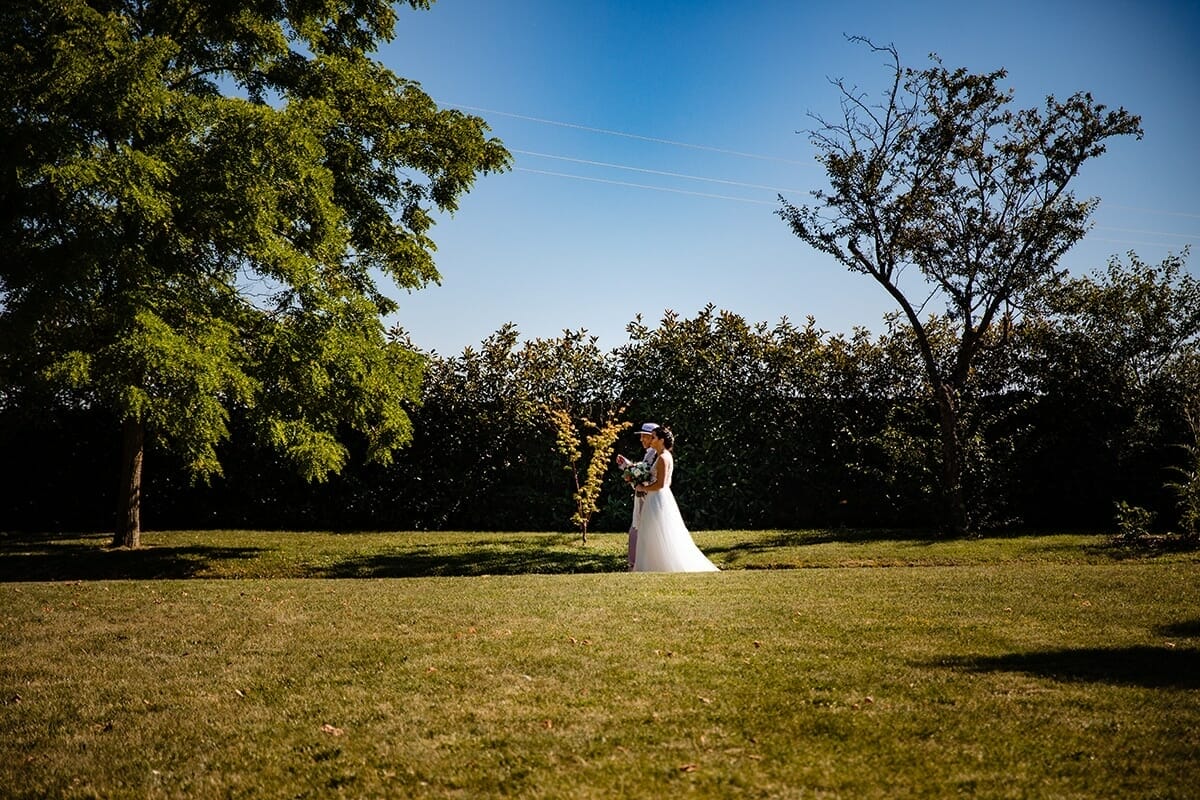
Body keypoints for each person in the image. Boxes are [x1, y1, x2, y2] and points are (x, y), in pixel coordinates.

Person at [632, 426, 719, 573]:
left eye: (653, 437)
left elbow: (660, 484)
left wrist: (642, 488)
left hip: (657, 499)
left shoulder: (663, 458)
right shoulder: (664, 456)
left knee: (656, 530)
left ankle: (658, 565)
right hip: (658, 498)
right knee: (653, 531)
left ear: (661, 440)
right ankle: (653, 564)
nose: (651, 440)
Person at [622, 422, 660, 571]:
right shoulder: (650, 453)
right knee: (636, 527)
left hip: (648, 496)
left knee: (638, 528)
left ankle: (636, 563)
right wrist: (629, 468)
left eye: (644, 436)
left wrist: (633, 473)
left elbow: (651, 476)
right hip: (642, 495)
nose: (641, 439)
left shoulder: (655, 454)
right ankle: (636, 562)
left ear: (653, 438)